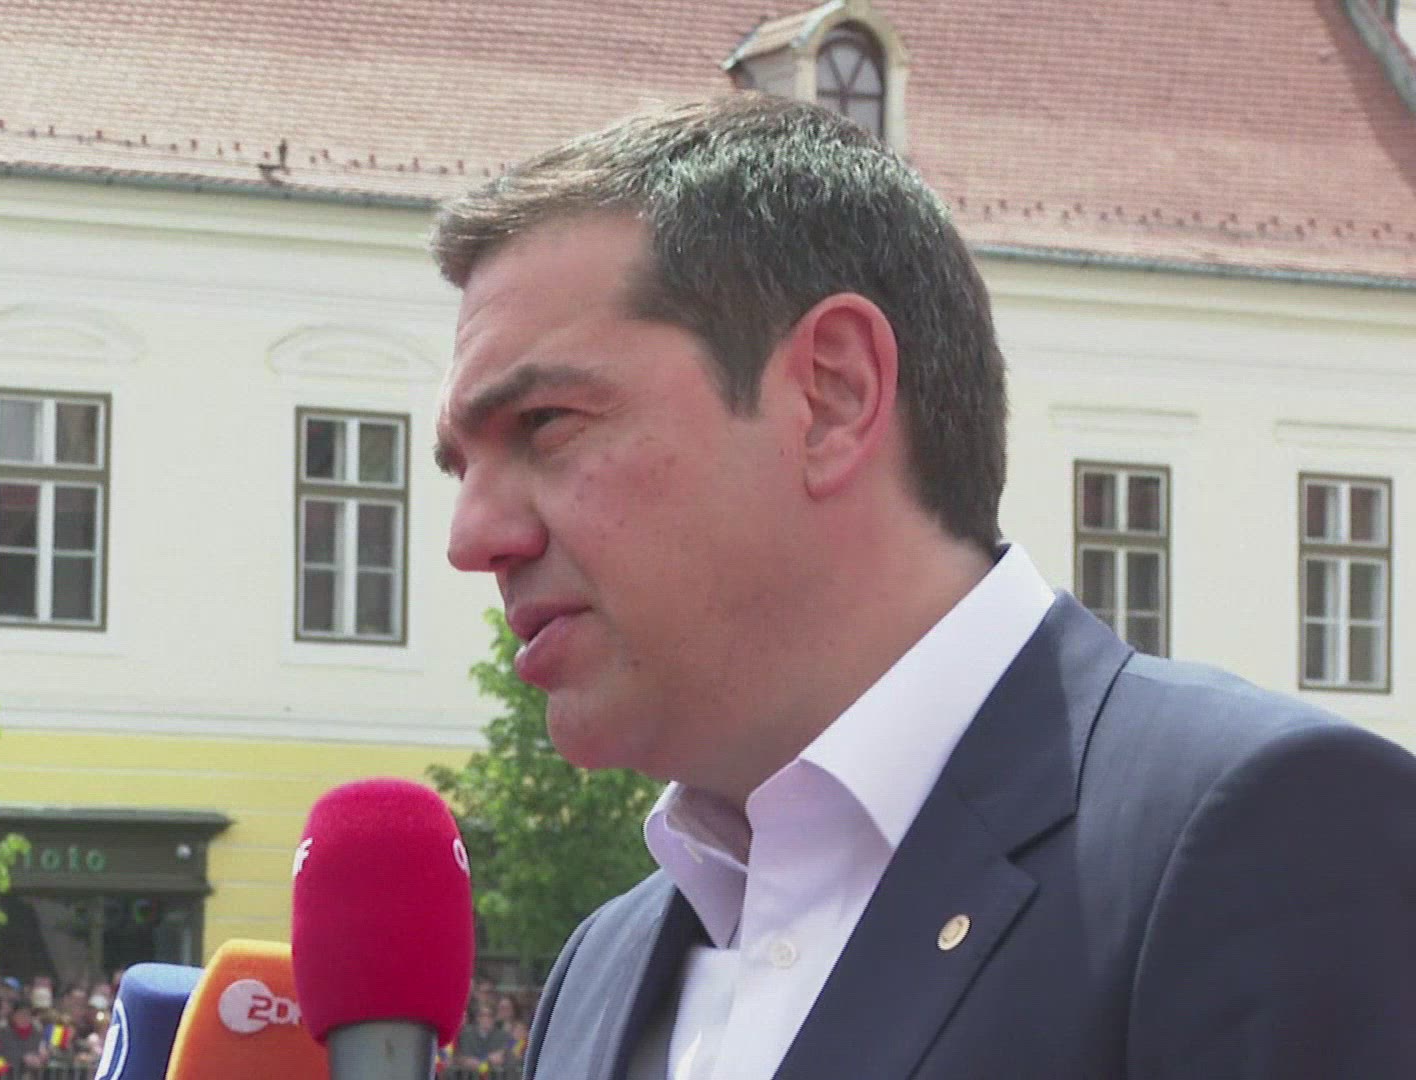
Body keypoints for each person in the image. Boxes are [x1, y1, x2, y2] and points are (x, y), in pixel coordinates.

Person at [428, 92, 1416, 1079]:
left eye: (546, 425)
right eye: (461, 469)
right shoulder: (599, 972)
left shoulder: (1270, 836)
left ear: (833, 395)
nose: (472, 539)